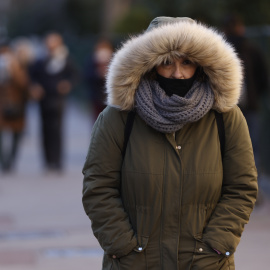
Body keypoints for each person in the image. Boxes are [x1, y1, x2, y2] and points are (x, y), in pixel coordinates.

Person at [82, 17, 258, 270]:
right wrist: (123, 247)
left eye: (187, 62)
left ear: (202, 64)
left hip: (206, 264)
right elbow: (98, 186)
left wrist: (217, 245)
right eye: (166, 62)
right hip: (136, 263)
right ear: (150, 65)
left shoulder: (225, 117)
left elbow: (241, 187)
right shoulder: (119, 117)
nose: (178, 73)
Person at [222, 14, 269, 171]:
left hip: (235, 106)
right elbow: (263, 78)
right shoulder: (251, 49)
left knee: (235, 145)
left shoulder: (223, 50)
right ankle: (251, 181)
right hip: (243, 106)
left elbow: (262, 78)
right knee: (250, 145)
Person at [30, 32, 76, 172]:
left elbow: (74, 75)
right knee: (45, 130)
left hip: (58, 100)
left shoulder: (65, 60)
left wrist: (67, 84)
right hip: (44, 99)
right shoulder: (40, 60)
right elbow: (32, 76)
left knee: (57, 129)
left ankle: (57, 160)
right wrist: (34, 86)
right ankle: (48, 160)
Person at [0, 42, 29, 173]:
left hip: (17, 105)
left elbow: (24, 84)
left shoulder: (18, 65)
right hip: (2, 106)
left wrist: (13, 69)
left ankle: (11, 160)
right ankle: (4, 162)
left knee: (17, 133)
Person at [84, 39, 113, 122]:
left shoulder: (114, 59)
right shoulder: (91, 60)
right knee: (97, 119)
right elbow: (87, 75)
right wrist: (97, 74)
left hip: (110, 96)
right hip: (96, 96)